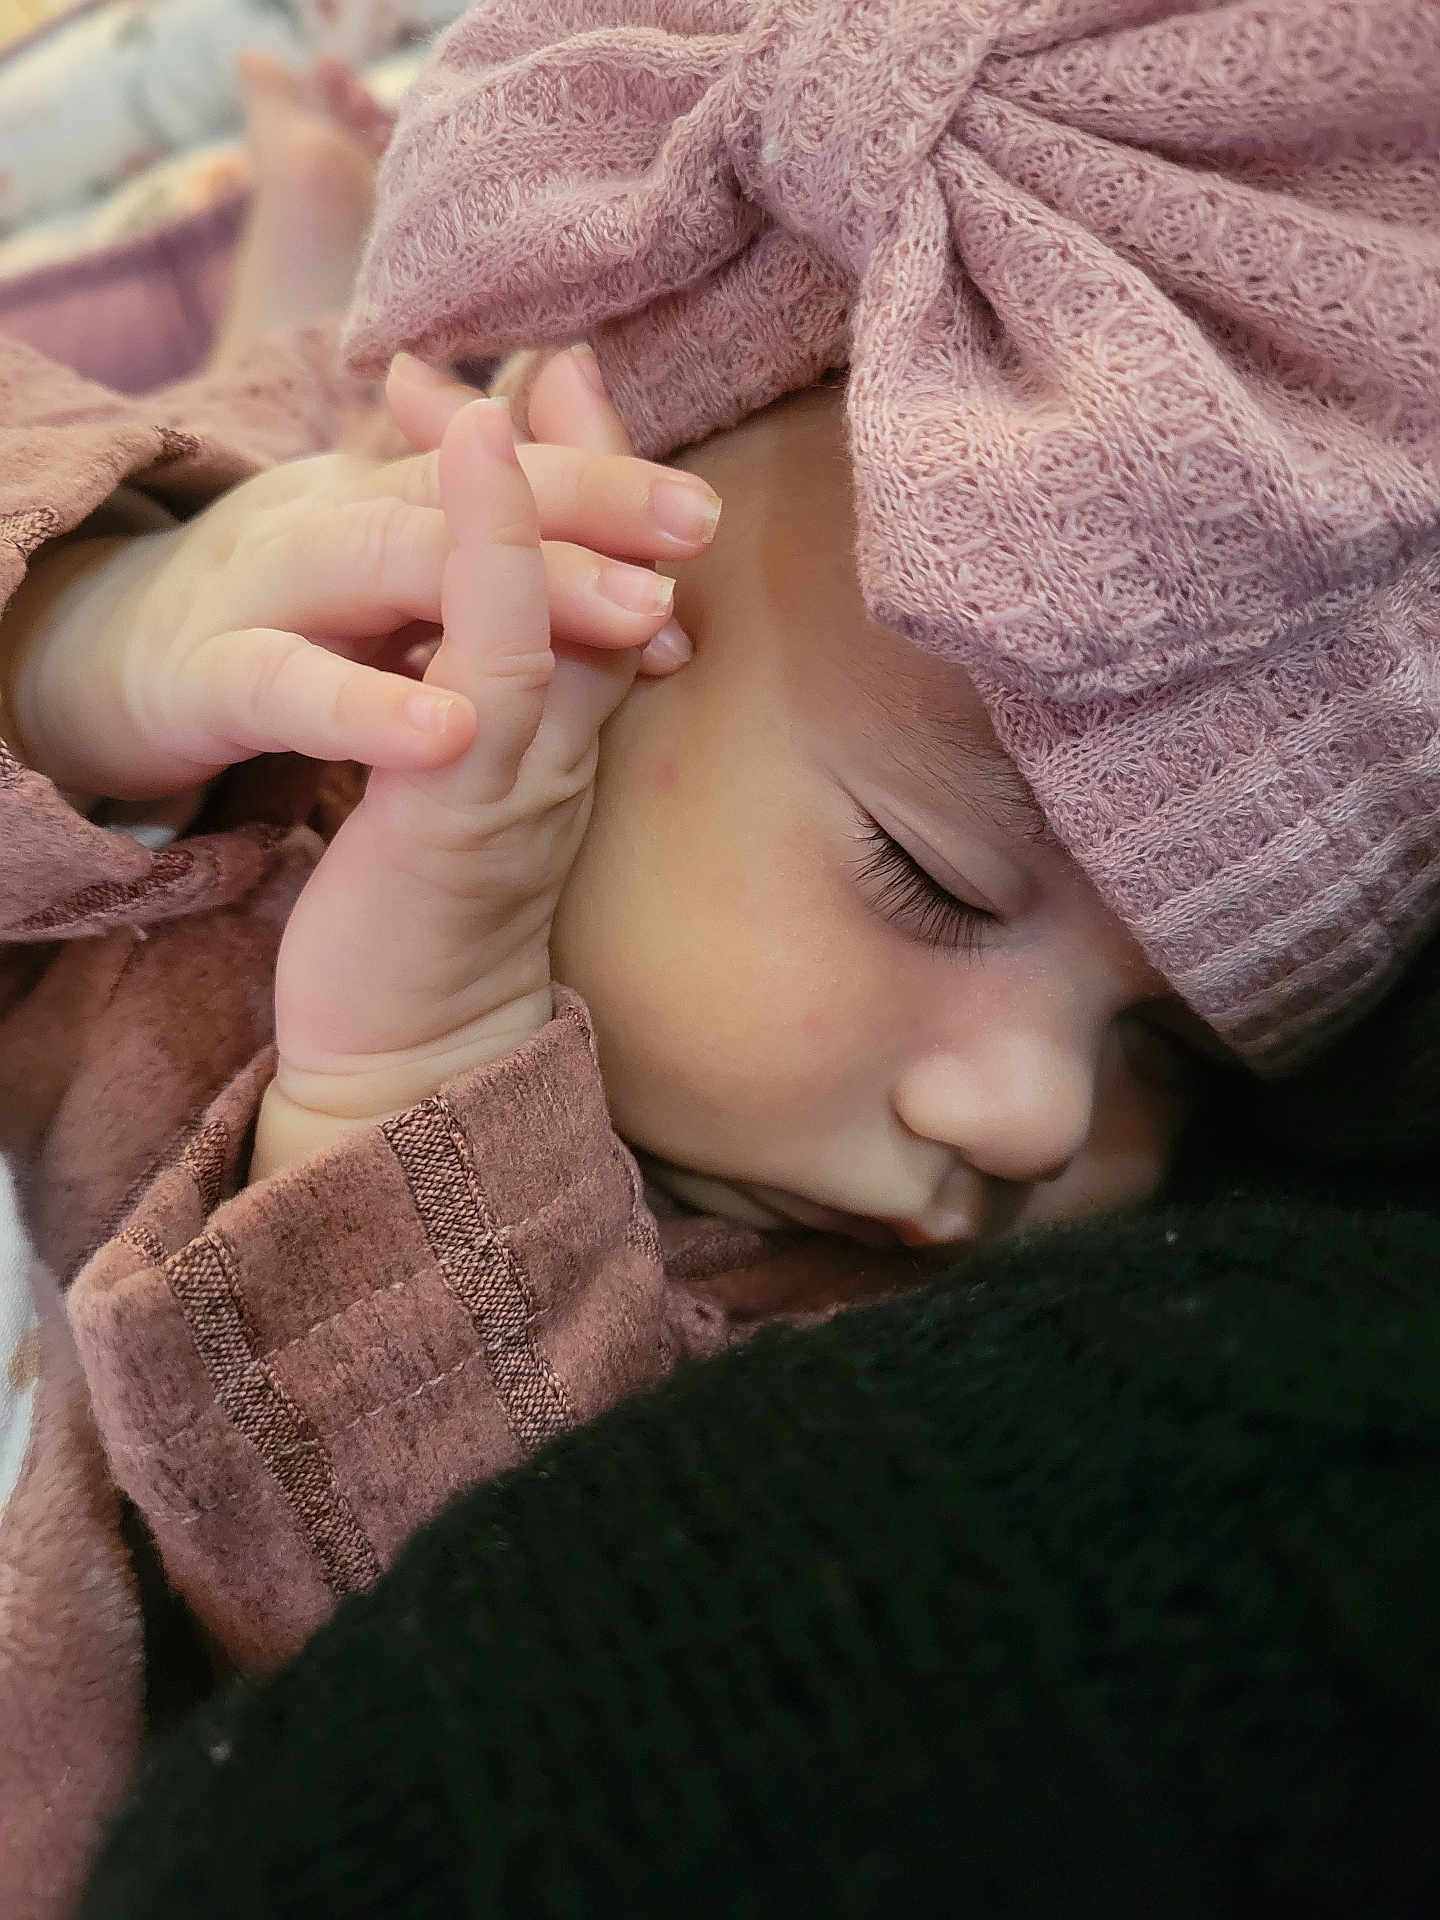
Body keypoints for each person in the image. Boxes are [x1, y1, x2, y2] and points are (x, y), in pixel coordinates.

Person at [2, 0, 1438, 1913]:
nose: (1026, 1116)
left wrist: (414, 1079)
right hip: (377, 461)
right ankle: (308, 280)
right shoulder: (343, 629)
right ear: (537, 574)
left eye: (1167, 1057)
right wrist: (93, 638)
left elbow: (499, 1669)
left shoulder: (807, 1320)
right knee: (246, 440)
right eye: (927, 881)